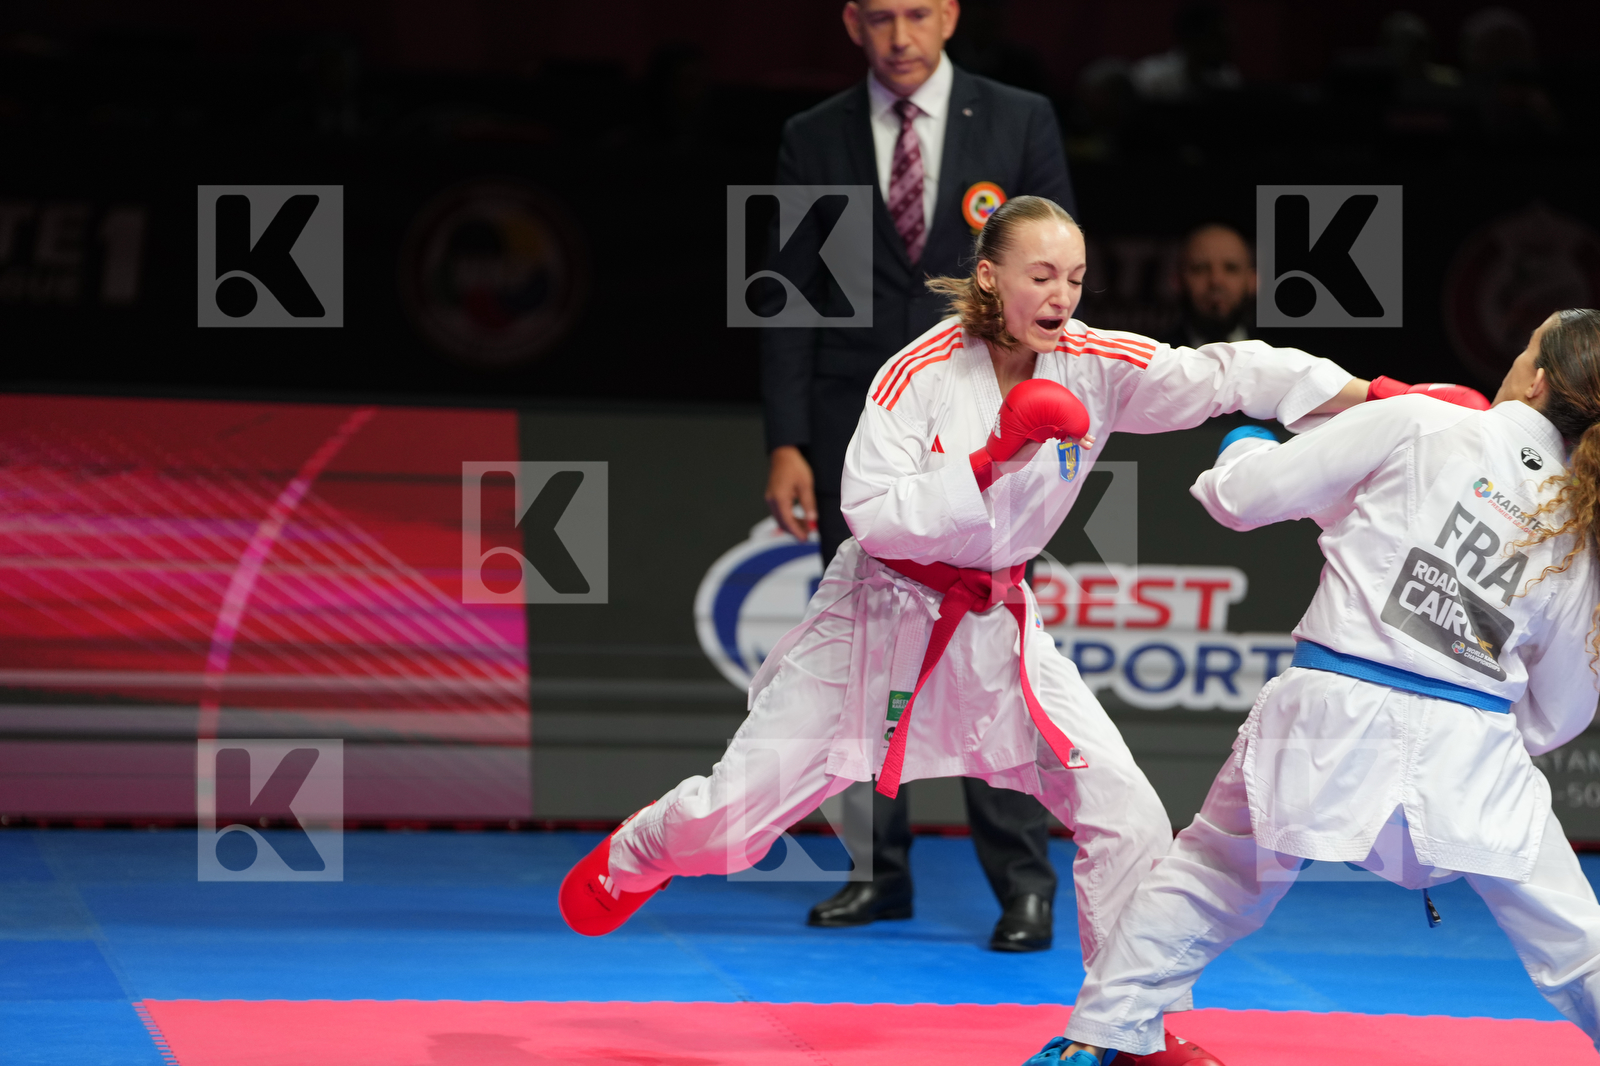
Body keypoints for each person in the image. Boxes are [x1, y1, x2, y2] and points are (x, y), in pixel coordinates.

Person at [561, 193, 1466, 1066]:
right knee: (730, 826)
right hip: (878, 618)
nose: (1062, 298)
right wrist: (993, 457)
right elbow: (868, 514)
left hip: (998, 625)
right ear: (990, 278)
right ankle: (640, 850)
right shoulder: (915, 373)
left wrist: (1380, 396)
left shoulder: (1092, 360)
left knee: (1127, 814)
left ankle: (1129, 1028)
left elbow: (1230, 372)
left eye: (1074, 278)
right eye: (1042, 277)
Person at [1055, 311, 1600, 1064]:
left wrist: (1243, 444)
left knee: (1212, 874)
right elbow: (1568, 705)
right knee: (1577, 942)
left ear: (1536, 379)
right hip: (1470, 750)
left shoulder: (1422, 422)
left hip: (1328, 716)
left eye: (1524, 349)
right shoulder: (1578, 523)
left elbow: (1241, 498)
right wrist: (1479, 708)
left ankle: (1096, 1038)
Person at [760, 0, 1078, 951]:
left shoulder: (1018, 119)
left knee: (989, 644)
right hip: (856, 434)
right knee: (868, 650)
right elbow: (787, 294)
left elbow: (1052, 279)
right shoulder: (810, 138)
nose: (900, 35)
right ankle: (876, 872)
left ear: (948, 15)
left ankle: (1024, 884)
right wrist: (785, 439)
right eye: (881, 16)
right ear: (852, 22)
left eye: (917, 13)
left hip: (993, 428)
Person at [1160, 224, 1255, 350]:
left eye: (1231, 268)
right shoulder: (1155, 362)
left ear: (1253, 280)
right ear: (1177, 280)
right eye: (1200, 268)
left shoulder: (1281, 359)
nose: (1216, 280)